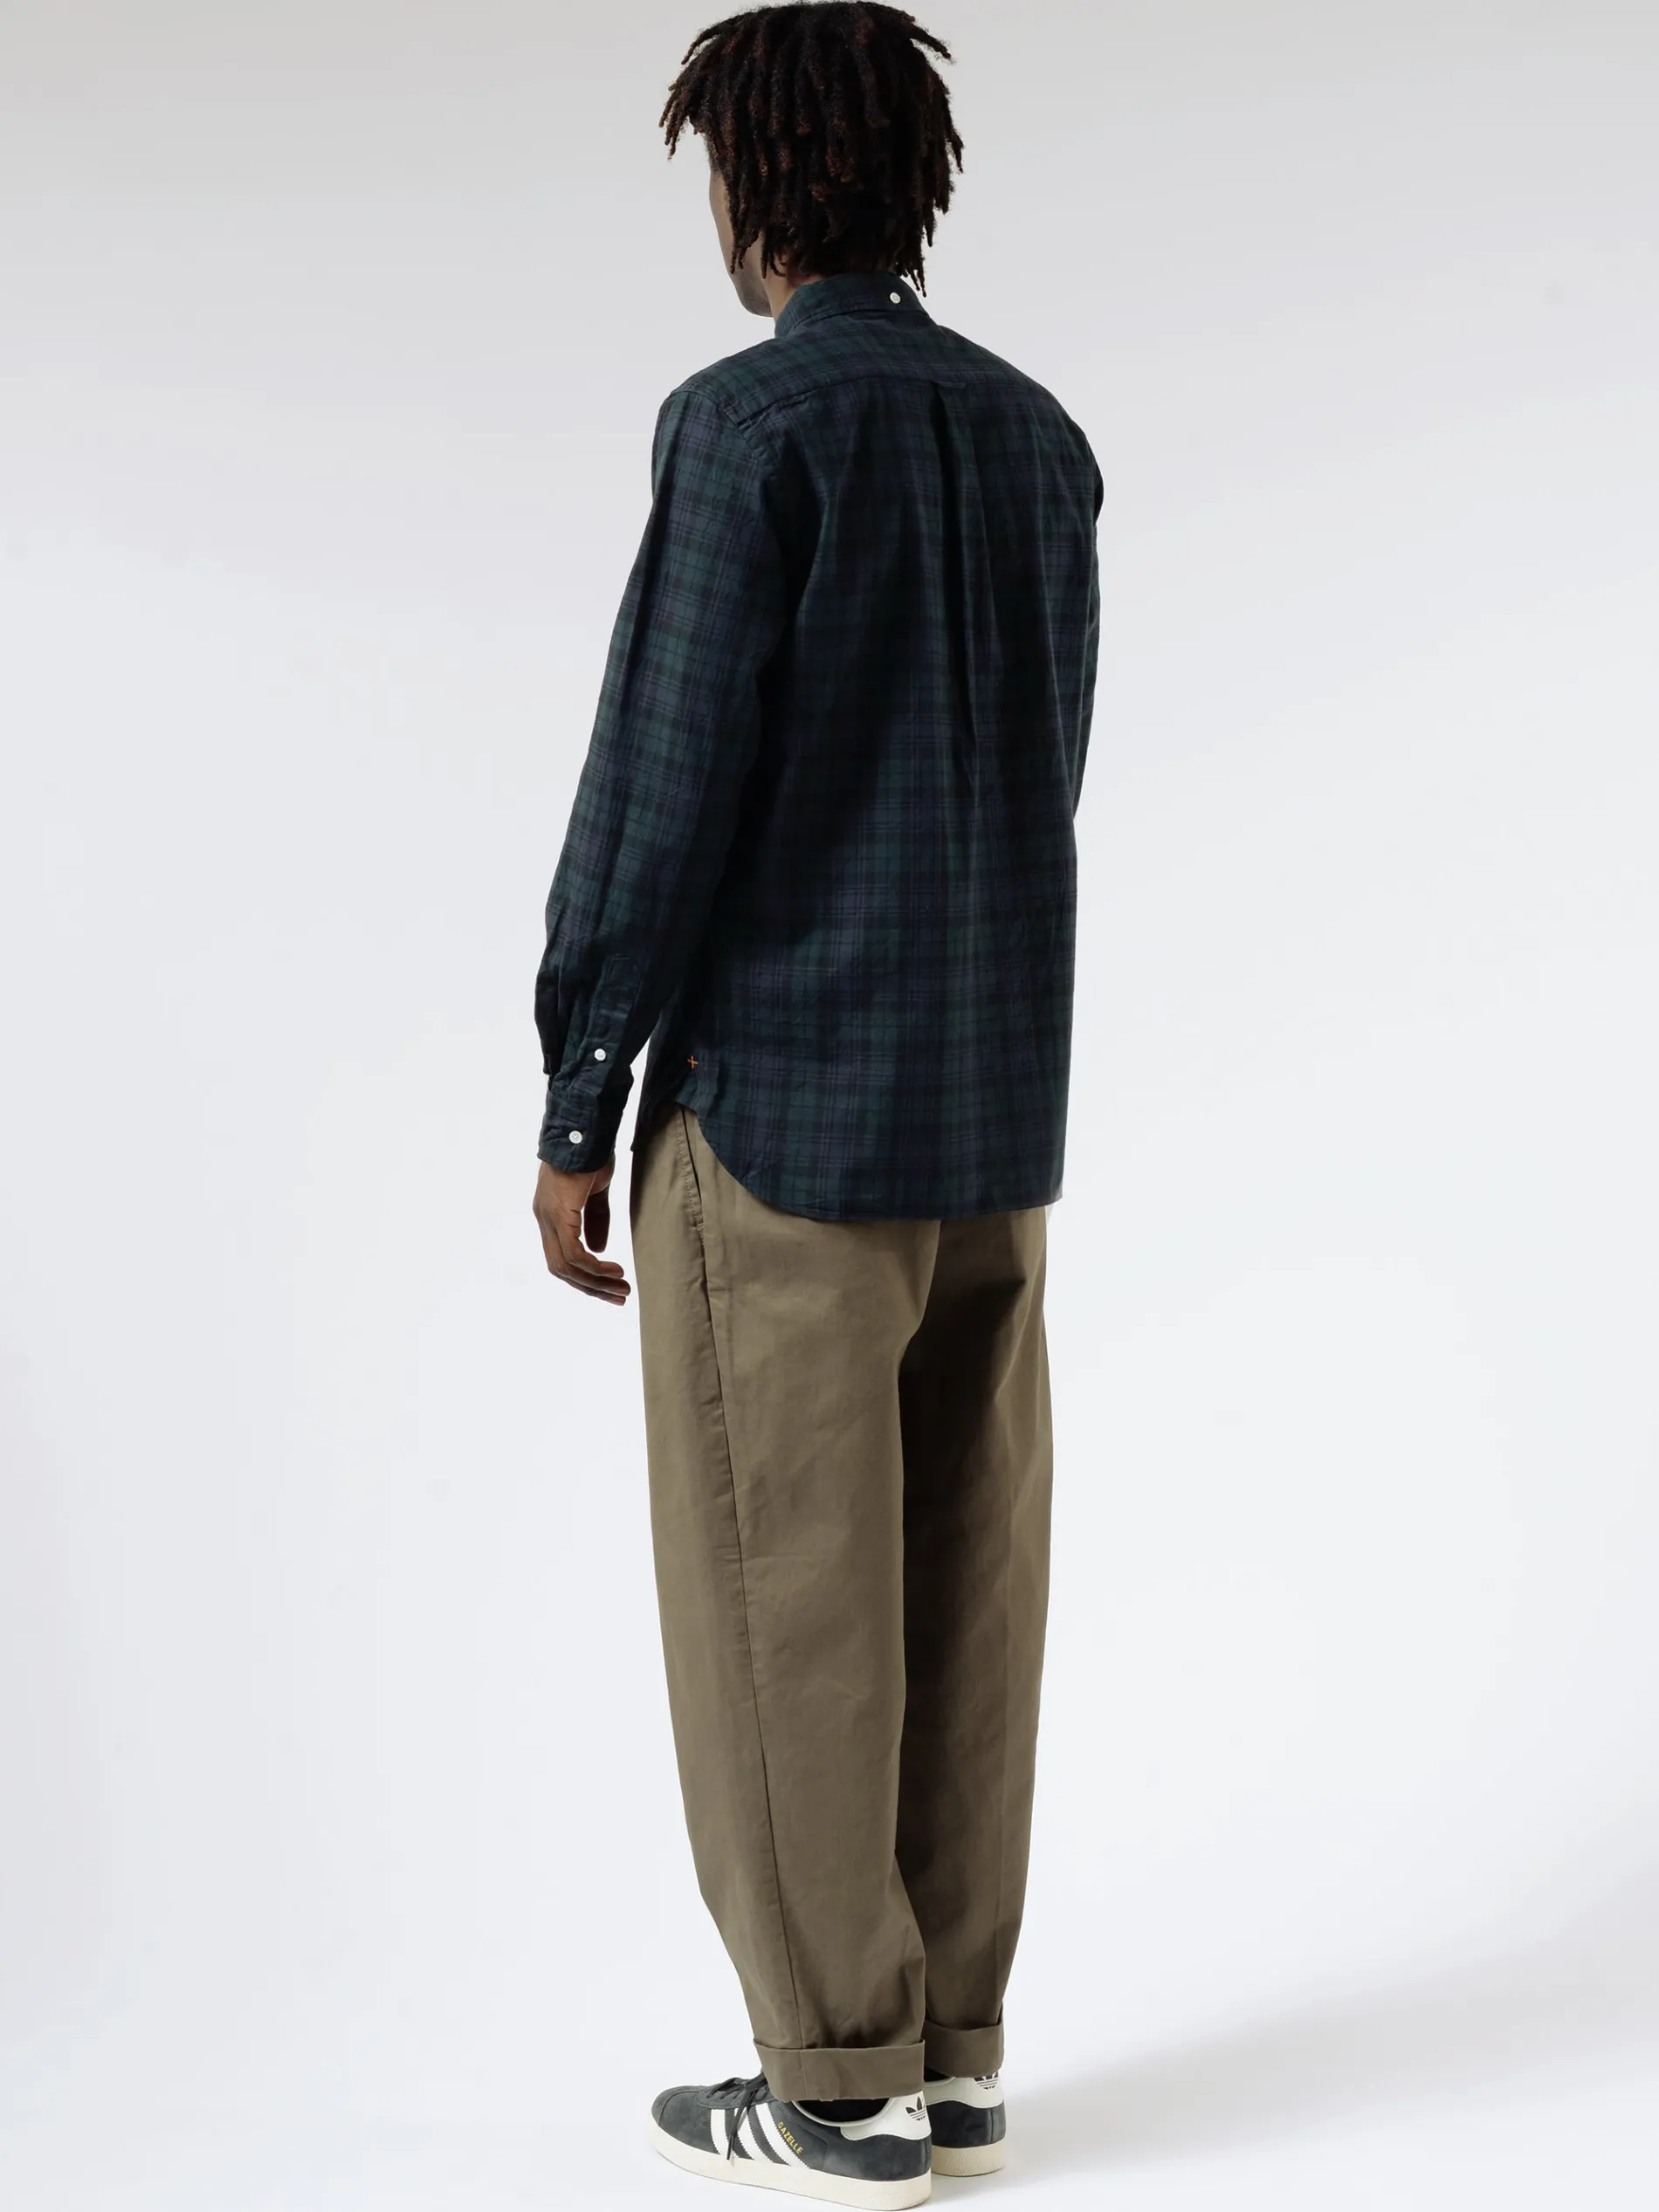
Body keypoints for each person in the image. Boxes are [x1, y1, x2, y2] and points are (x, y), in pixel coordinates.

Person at [531, 6, 1100, 2202]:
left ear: (748, 182)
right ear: (912, 182)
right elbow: (1037, 772)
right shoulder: (1035, 438)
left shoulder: (744, 424)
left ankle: (833, 2079)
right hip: (991, 1115)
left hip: (778, 1110)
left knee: (788, 1603)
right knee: (968, 1589)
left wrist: (582, 1085)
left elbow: (662, 787)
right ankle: (949, 2050)